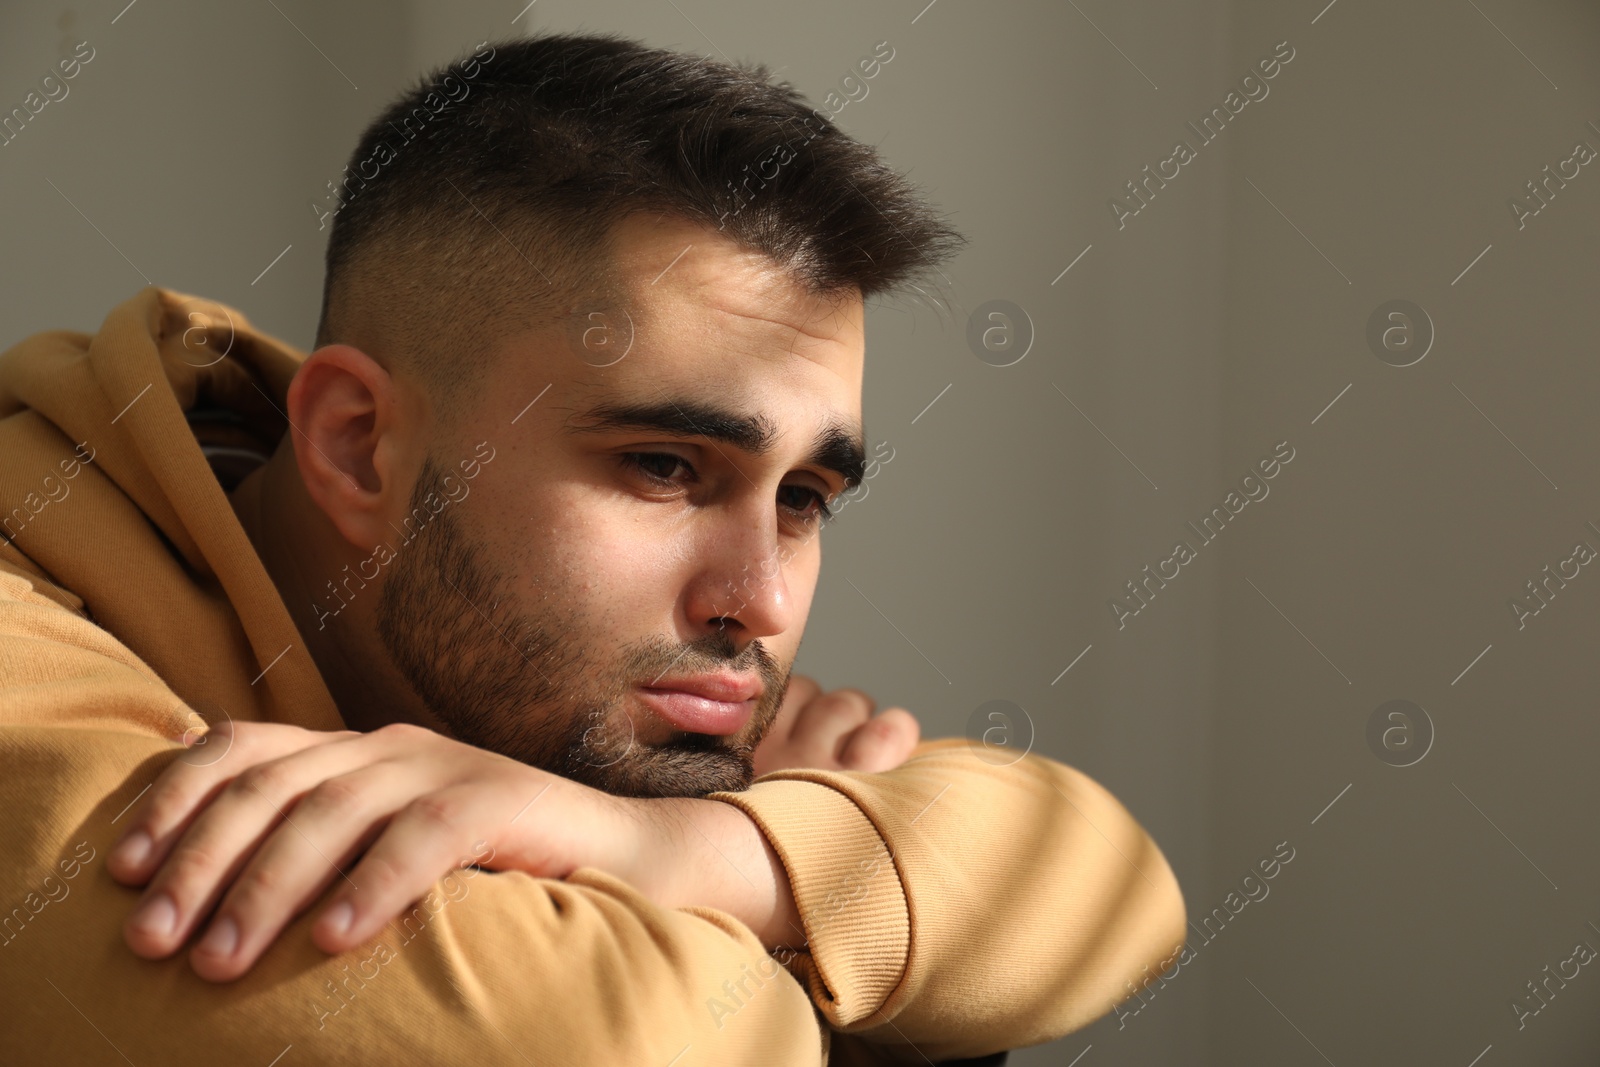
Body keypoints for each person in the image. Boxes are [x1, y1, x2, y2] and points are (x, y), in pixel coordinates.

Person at [0, 31, 1185, 1065]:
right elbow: (620, 1040)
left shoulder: (615, 713)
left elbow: (1111, 890)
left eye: (806, 493)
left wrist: (696, 849)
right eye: (665, 466)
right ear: (360, 448)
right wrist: (860, 973)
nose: (759, 600)